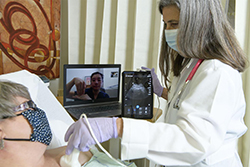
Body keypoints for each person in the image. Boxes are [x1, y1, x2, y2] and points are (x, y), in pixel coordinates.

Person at [64, 0, 248, 166]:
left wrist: (116, 126)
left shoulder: (218, 72)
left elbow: (193, 141)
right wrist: (161, 92)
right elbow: (191, 103)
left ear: (199, 22)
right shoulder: (192, 63)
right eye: (166, 25)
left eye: (174, 24)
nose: (168, 32)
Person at [0, 80, 135, 167]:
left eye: (33, 105)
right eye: (25, 108)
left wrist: (119, 127)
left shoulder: (71, 151)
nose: (38, 113)